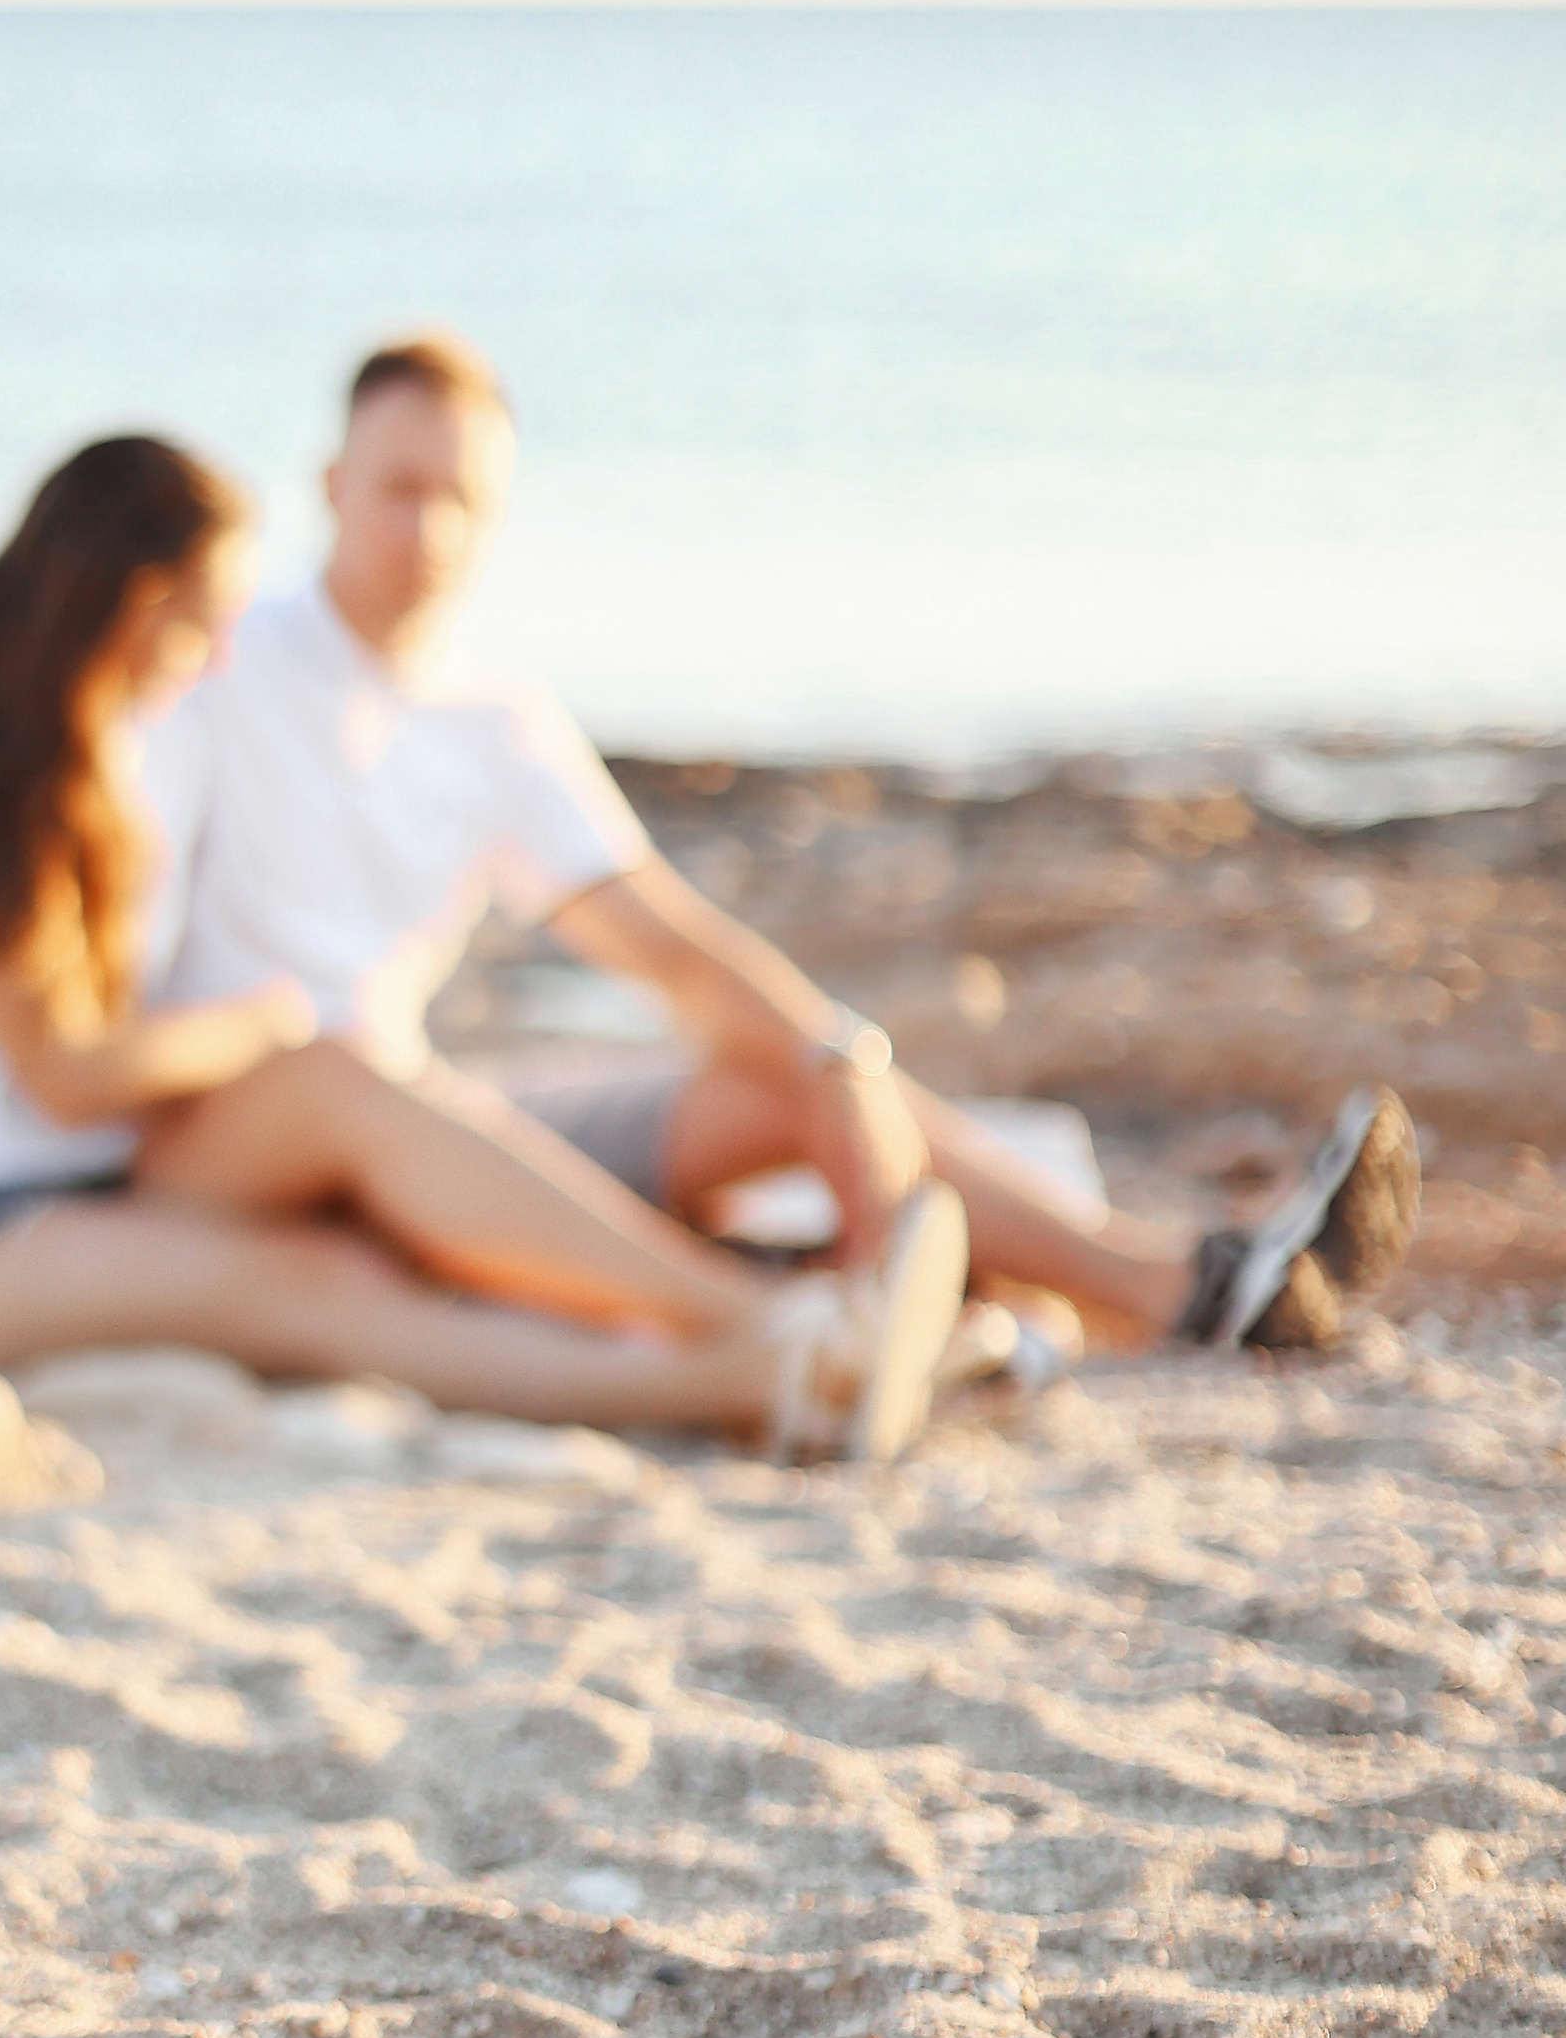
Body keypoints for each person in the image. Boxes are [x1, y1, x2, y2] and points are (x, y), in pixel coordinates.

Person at [144, 333, 1422, 1359]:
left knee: (790, 1082)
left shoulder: (494, 721)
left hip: (416, 1109)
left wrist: (839, 1063)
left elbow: (666, 941)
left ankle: (1176, 1282)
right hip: (241, 1122)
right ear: (329, 487)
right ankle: (843, 1316)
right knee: (398, 1092)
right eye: (398, 491)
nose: (425, 531)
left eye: (460, 499)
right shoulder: (218, 655)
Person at [0, 431, 973, 1456]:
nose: (226, 653)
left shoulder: (124, 743)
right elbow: (65, 1072)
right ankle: (765, 1354)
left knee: (346, 1093)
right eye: (205, 618)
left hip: (96, 1173)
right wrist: (261, 1021)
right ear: (135, 604)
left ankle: (786, 1328)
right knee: (323, 1285)